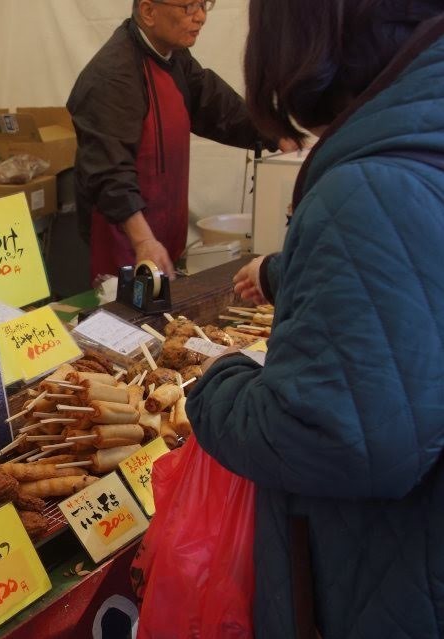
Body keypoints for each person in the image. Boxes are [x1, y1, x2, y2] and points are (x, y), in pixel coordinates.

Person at [187, 2, 444, 637]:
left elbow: (337, 437)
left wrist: (219, 382)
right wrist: (286, 273)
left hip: (390, 580)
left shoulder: (370, 185)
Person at [67, 0, 294, 281]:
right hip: (125, 244)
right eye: (189, 7)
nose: (200, 17)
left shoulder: (174, 58)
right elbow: (108, 172)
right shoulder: (111, 77)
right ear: (149, 12)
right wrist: (143, 241)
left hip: (163, 238)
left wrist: (278, 135)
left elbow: (216, 105)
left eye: (204, 4)